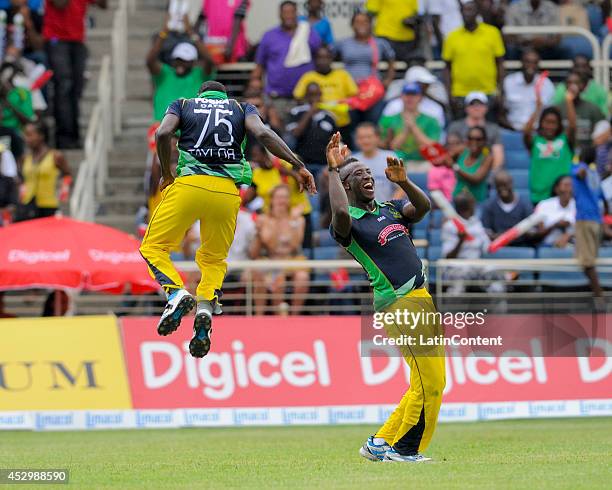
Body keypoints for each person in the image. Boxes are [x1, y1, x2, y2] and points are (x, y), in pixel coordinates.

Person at [139, 81, 316, 358]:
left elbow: (163, 133)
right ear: (224, 96)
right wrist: (299, 165)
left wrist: (166, 172)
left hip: (189, 186)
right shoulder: (241, 108)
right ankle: (206, 307)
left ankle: (176, 293)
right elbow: (264, 135)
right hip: (227, 192)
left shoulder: (184, 105)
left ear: (202, 95)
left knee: (152, 247)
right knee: (212, 260)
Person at [327, 132, 445, 463]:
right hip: (400, 302)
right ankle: (405, 449)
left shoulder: (389, 208)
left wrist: (405, 182)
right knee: (429, 382)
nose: (367, 177)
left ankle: (381, 442)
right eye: (358, 175)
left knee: (429, 381)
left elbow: (422, 207)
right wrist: (334, 169)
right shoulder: (349, 223)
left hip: (422, 296)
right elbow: (337, 210)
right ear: (347, 186)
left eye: (368, 173)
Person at [43, 0, 107, 149]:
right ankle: (63, 137)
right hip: (57, 39)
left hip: (77, 40)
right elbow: (60, 4)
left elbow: (103, 5)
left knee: (76, 90)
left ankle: (73, 135)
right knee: (64, 86)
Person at [252, 1, 321, 125]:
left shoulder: (308, 32)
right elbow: (259, 66)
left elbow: (320, 58)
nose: (288, 16)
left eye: (291, 12)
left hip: (304, 99)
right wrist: (258, 89)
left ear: (297, 14)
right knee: (278, 137)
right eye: (285, 12)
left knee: (303, 137)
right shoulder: (269, 36)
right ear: (280, 14)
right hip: (277, 98)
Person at [249, 184, 310, 315]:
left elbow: (294, 244)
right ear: (272, 200)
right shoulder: (263, 219)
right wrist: (276, 221)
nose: (282, 201)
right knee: (278, 277)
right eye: (279, 197)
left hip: (292, 259)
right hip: (270, 259)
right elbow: (271, 245)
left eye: (285, 197)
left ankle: (294, 316)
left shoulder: (298, 218)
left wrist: (292, 222)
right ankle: (262, 316)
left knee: (302, 277)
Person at [442, 1, 505, 117]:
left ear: (478, 13)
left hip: (488, 91)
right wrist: (449, 94)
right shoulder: (452, 37)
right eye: (464, 10)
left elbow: (500, 64)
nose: (467, 14)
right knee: (461, 131)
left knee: (487, 131)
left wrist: (500, 91)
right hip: (460, 93)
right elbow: (447, 68)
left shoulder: (492, 33)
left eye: (470, 10)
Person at [147, 17, 215, 122]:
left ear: (193, 62)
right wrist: (163, 34)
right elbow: (150, 61)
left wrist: (191, 33)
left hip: (189, 134)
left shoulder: (199, 75)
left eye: (185, 60)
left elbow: (209, 61)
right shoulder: (165, 74)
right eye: (178, 59)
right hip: (163, 133)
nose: (180, 63)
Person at [335, 11, 396, 125]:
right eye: (357, 22)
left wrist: (388, 80)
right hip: (350, 91)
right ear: (352, 25)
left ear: (370, 24)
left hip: (372, 92)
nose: (361, 25)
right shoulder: (343, 43)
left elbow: (392, 59)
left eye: (365, 22)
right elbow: (326, 56)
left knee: (372, 124)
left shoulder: (379, 43)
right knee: (350, 125)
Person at [442, 192, 505, 295]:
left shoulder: (476, 223)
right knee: (460, 281)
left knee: (495, 274)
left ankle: (496, 311)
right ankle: (454, 310)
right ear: (468, 207)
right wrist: (460, 241)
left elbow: (487, 248)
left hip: (476, 265)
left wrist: (493, 238)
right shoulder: (450, 226)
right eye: (473, 205)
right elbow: (448, 257)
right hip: (457, 268)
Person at [524, 92, 576, 205]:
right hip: (539, 195)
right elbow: (526, 132)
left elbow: (572, 126)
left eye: (554, 123)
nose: (550, 126)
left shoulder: (565, 140)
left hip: (561, 196)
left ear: (559, 125)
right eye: (547, 122)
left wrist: (569, 101)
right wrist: (538, 109)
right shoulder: (536, 141)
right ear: (541, 123)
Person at [293, 46, 357, 132]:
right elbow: (298, 97)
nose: (323, 61)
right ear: (315, 59)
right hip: (318, 123)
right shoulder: (308, 77)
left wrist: (338, 103)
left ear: (331, 58)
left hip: (342, 122)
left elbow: (354, 96)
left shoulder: (342, 75)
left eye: (326, 57)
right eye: (319, 58)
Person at [379, 82, 441, 170]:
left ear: (420, 98)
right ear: (401, 96)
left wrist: (413, 127)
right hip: (398, 163)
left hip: (423, 162)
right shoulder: (389, 119)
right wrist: (406, 130)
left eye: (414, 95)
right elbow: (391, 147)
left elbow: (433, 147)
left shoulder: (431, 120)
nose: (410, 98)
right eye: (407, 95)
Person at [16, 121, 71, 221]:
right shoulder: (25, 158)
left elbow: (67, 175)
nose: (27, 139)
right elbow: (22, 180)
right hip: (27, 204)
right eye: (25, 135)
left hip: (49, 205)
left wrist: (63, 193)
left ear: (41, 136)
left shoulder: (55, 156)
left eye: (30, 135)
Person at [571, 151, 604, 301]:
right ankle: (597, 295)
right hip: (596, 220)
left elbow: (579, 174)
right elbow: (603, 198)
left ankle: (599, 297)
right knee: (587, 259)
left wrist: (581, 166)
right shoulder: (595, 173)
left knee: (586, 261)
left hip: (585, 219)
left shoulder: (579, 168)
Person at [285, 82, 337, 177]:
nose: (315, 98)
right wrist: (310, 112)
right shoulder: (296, 112)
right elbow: (296, 133)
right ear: (306, 96)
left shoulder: (329, 116)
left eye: (317, 95)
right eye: (311, 95)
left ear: (321, 95)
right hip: (302, 164)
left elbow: (334, 141)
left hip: (323, 165)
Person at [500, 49, 555, 131]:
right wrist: (512, 129)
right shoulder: (509, 82)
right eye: (527, 61)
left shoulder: (547, 84)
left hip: (537, 132)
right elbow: (501, 112)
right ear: (521, 63)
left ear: (538, 64)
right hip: (511, 130)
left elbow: (550, 113)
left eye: (534, 62)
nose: (530, 65)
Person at [446, 91, 504, 169]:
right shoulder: (455, 126)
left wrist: (493, 173)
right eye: (472, 104)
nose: (476, 108)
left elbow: (498, 153)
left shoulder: (494, 128)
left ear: (486, 108)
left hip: (487, 168)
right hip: (460, 168)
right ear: (466, 108)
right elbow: (450, 152)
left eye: (480, 104)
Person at [556, 71, 606, 154]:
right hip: (562, 154)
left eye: (576, 83)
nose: (572, 86)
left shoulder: (593, 108)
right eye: (569, 83)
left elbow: (603, 131)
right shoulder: (558, 109)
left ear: (584, 86)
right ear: (565, 86)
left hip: (587, 156)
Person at [481, 170, 535, 246]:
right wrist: (503, 238)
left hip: (520, 245)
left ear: (512, 184)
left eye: (505, 185)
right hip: (497, 246)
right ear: (495, 187)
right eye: (499, 185)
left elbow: (531, 232)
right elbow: (486, 231)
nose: (503, 189)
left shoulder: (525, 204)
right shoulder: (489, 205)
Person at [353, 122, 398, 202]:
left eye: (369, 137)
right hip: (361, 211)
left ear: (378, 138)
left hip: (388, 209)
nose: (365, 141)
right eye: (361, 137)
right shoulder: (352, 161)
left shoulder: (390, 158)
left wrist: (390, 207)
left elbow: (401, 188)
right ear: (356, 140)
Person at [452, 126, 493, 203]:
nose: (474, 142)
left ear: (484, 140)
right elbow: (446, 156)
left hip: (476, 203)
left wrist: (455, 167)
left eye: (478, 139)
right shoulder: (462, 150)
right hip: (457, 201)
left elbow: (476, 179)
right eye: (470, 138)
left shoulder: (487, 156)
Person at [534, 175, 576, 247]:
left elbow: (586, 230)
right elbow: (539, 232)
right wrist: (556, 225)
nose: (569, 189)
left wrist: (568, 235)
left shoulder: (580, 206)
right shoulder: (544, 205)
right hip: (548, 245)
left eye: (572, 186)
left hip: (574, 246)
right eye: (566, 185)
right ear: (556, 188)